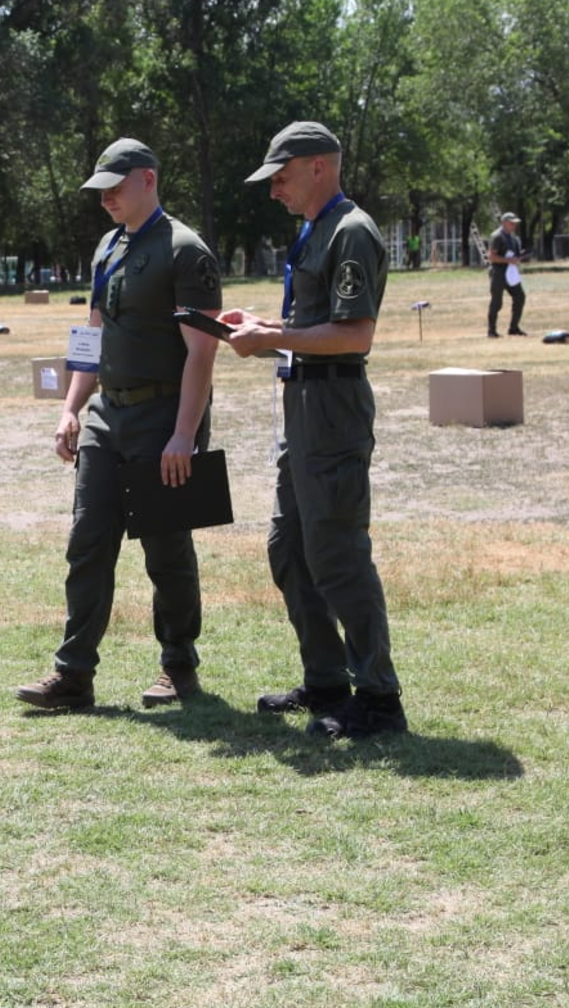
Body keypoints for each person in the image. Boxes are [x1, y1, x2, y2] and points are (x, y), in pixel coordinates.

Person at [13, 138, 223, 711]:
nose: (105, 198)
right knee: (87, 542)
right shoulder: (106, 246)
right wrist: (72, 407)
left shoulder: (185, 249)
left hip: (164, 416)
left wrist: (184, 433)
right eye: (100, 190)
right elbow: (91, 335)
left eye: (115, 186)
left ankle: (179, 667)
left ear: (147, 179)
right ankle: (74, 674)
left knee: (165, 548)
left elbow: (202, 353)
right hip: (110, 416)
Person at [216, 121, 406, 740]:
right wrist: (264, 325)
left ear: (318, 166)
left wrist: (272, 338)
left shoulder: (351, 231)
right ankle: (326, 679)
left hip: (333, 407)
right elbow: (315, 324)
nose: (274, 189)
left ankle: (379, 699)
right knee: (289, 548)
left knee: (338, 554)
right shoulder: (314, 229)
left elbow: (355, 334)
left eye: (282, 175)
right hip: (303, 405)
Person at [485, 212, 528, 338]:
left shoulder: (513, 238)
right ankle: (491, 331)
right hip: (499, 272)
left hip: (511, 273)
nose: (514, 225)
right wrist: (508, 260)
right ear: (504, 223)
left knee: (520, 297)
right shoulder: (497, 236)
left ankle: (514, 328)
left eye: (515, 223)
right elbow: (492, 257)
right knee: (497, 302)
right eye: (511, 223)